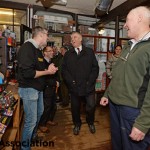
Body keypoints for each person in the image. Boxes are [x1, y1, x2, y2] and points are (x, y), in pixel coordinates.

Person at [100, 6, 150, 150]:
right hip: (115, 105)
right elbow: (118, 74)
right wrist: (107, 94)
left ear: (140, 19)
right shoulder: (128, 45)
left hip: (133, 110)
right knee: (117, 145)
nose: (125, 25)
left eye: (127, 20)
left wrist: (143, 123)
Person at [17, 26, 58, 150]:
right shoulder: (27, 48)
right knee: (30, 121)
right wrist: (48, 72)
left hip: (38, 90)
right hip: (29, 89)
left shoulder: (37, 50)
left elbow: (39, 70)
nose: (47, 37)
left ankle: (33, 136)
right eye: (46, 35)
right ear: (40, 35)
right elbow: (28, 73)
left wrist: (49, 69)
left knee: (39, 114)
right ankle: (25, 147)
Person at [61, 32, 99, 135]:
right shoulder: (68, 54)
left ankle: (90, 122)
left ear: (81, 39)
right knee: (75, 108)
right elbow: (64, 70)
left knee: (91, 105)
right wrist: (70, 81)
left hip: (88, 86)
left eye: (75, 37)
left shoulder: (89, 52)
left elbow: (95, 68)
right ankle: (77, 124)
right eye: (71, 38)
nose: (72, 39)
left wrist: (90, 81)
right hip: (74, 87)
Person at [38, 46, 58, 133]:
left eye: (52, 51)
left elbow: (53, 75)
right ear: (44, 53)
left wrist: (57, 81)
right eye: (49, 51)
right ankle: (42, 124)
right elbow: (44, 78)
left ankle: (49, 120)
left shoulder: (51, 62)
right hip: (46, 88)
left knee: (53, 105)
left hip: (52, 88)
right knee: (46, 107)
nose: (52, 52)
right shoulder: (42, 63)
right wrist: (54, 83)